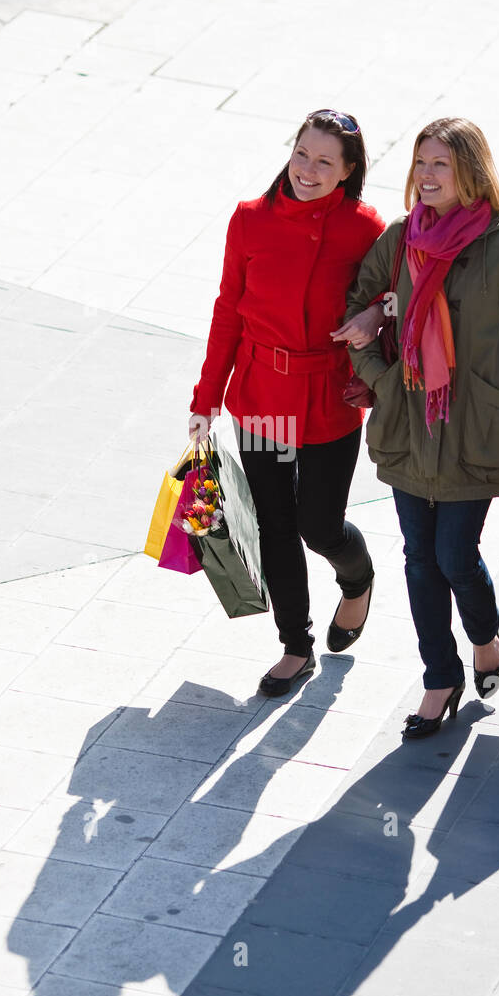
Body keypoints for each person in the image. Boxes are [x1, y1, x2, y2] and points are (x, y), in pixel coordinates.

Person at [343, 116, 499, 738]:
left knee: (454, 555)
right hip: (409, 424)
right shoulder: (403, 237)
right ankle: (442, 675)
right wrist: (379, 377)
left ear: (471, 171)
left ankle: (485, 641)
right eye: (420, 163)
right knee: (418, 558)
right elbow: (358, 303)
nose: (426, 176)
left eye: (441, 164)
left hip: (475, 430)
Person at [189, 110, 386, 697]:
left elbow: (391, 301)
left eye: (326, 161)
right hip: (263, 397)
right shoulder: (250, 220)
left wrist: (375, 364)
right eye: (303, 154)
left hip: (329, 395)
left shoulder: (365, 227)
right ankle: (294, 645)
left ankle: (358, 579)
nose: (308, 169)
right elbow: (228, 310)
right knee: (276, 525)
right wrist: (207, 398)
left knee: (318, 524)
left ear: (349, 172)